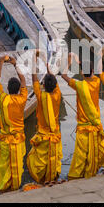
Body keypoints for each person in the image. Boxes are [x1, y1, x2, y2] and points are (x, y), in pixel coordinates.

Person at [61, 52, 104, 179]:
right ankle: (91, 171)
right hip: (95, 125)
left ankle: (76, 176)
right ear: (92, 71)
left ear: (82, 73)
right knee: (94, 152)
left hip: (83, 127)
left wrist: (70, 60)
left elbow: (63, 75)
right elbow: (97, 70)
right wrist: (82, 62)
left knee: (81, 155)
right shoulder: (97, 82)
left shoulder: (80, 85)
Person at [0, 55, 28, 192]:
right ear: (19, 89)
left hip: (6, 141)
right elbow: (23, 80)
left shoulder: (3, 98)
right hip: (18, 140)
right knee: (17, 166)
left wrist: (0, 63)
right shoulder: (23, 98)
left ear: (8, 88)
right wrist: (15, 64)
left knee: (3, 166)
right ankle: (15, 186)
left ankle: (3, 188)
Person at [27, 50, 63, 183]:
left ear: (44, 86)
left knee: (38, 161)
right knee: (54, 158)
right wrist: (48, 66)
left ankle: (43, 180)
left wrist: (34, 62)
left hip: (43, 135)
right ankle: (53, 178)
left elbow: (34, 79)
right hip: (55, 135)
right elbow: (53, 79)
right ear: (54, 87)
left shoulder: (41, 96)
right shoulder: (58, 94)